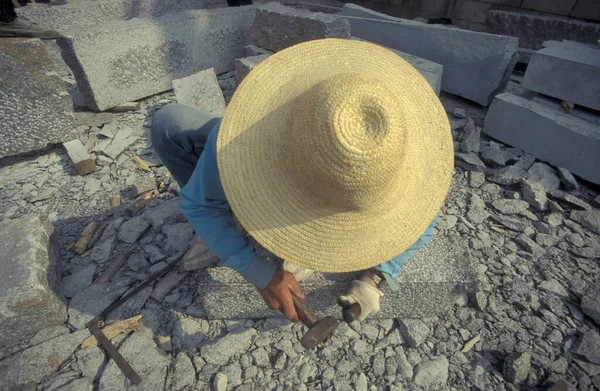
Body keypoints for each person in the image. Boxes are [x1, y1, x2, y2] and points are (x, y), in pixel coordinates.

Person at [151, 38, 453, 322]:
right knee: (168, 122)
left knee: (190, 142)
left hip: (316, 165)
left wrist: (375, 276)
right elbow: (197, 205)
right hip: (282, 136)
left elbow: (424, 220)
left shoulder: (403, 150)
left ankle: (277, 239)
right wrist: (255, 268)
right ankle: (228, 216)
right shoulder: (243, 138)